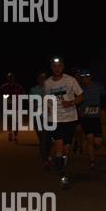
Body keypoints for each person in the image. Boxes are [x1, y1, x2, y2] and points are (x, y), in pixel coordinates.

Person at [44, 57, 83, 188]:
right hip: (55, 119)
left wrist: (71, 102)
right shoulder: (47, 83)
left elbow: (81, 96)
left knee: (66, 149)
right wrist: (47, 107)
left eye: (60, 66)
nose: (57, 68)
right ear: (51, 68)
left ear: (63, 67)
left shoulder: (71, 80)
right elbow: (46, 99)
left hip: (70, 118)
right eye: (54, 66)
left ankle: (62, 166)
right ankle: (62, 176)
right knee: (59, 146)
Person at [78, 70, 106, 170]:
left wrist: (103, 108)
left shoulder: (98, 87)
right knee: (90, 139)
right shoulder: (79, 89)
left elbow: (104, 97)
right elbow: (76, 101)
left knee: (97, 143)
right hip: (86, 118)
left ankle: (91, 148)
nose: (85, 79)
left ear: (91, 77)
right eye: (83, 77)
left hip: (96, 118)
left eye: (87, 76)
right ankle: (92, 162)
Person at [29, 71, 52, 169]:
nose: (43, 80)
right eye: (40, 78)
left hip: (50, 117)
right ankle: (45, 160)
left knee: (49, 139)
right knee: (42, 139)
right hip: (38, 116)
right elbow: (31, 104)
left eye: (44, 78)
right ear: (37, 80)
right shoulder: (33, 90)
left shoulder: (51, 88)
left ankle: (48, 154)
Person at [0, 73, 25, 143]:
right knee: (9, 121)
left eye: (11, 77)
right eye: (9, 77)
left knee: (16, 123)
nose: (10, 78)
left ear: (14, 78)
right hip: (8, 107)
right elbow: (0, 96)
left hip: (17, 108)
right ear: (7, 78)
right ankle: (10, 133)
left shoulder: (18, 87)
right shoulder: (3, 87)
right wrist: (6, 99)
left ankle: (16, 136)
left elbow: (23, 96)